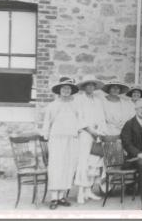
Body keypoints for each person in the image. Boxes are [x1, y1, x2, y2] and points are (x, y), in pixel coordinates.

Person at [42, 77, 81, 210]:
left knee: (68, 166)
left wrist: (78, 134)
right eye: (63, 88)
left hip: (72, 139)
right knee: (56, 166)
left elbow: (80, 122)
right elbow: (47, 123)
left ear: (71, 91)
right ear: (59, 90)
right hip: (57, 139)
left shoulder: (75, 105)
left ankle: (62, 196)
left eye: (68, 88)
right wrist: (46, 137)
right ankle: (54, 197)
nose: (66, 90)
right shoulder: (52, 106)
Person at [75, 75, 107, 204]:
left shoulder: (98, 100)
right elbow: (79, 117)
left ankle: (89, 190)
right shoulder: (78, 100)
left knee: (94, 161)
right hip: (85, 133)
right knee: (83, 162)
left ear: (94, 87)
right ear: (83, 87)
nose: (90, 87)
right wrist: (90, 130)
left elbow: (101, 118)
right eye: (87, 85)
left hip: (97, 133)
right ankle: (80, 193)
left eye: (92, 85)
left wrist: (99, 131)